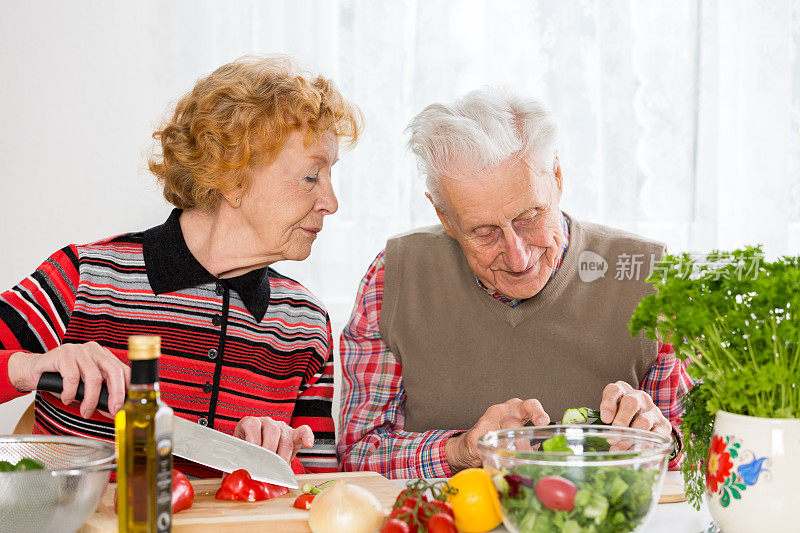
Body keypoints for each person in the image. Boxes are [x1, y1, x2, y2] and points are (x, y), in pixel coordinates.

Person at [0, 56, 361, 476]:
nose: (331, 203)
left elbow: (318, 497)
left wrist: (274, 458)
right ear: (232, 177)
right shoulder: (88, 276)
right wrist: (29, 367)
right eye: (311, 176)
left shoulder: (304, 322)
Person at [338, 87, 692, 479]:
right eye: (484, 232)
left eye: (529, 218)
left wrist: (663, 439)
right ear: (445, 217)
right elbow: (358, 454)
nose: (518, 255)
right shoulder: (393, 279)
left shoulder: (650, 276)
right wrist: (461, 449)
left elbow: (700, 454)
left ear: (556, 177)